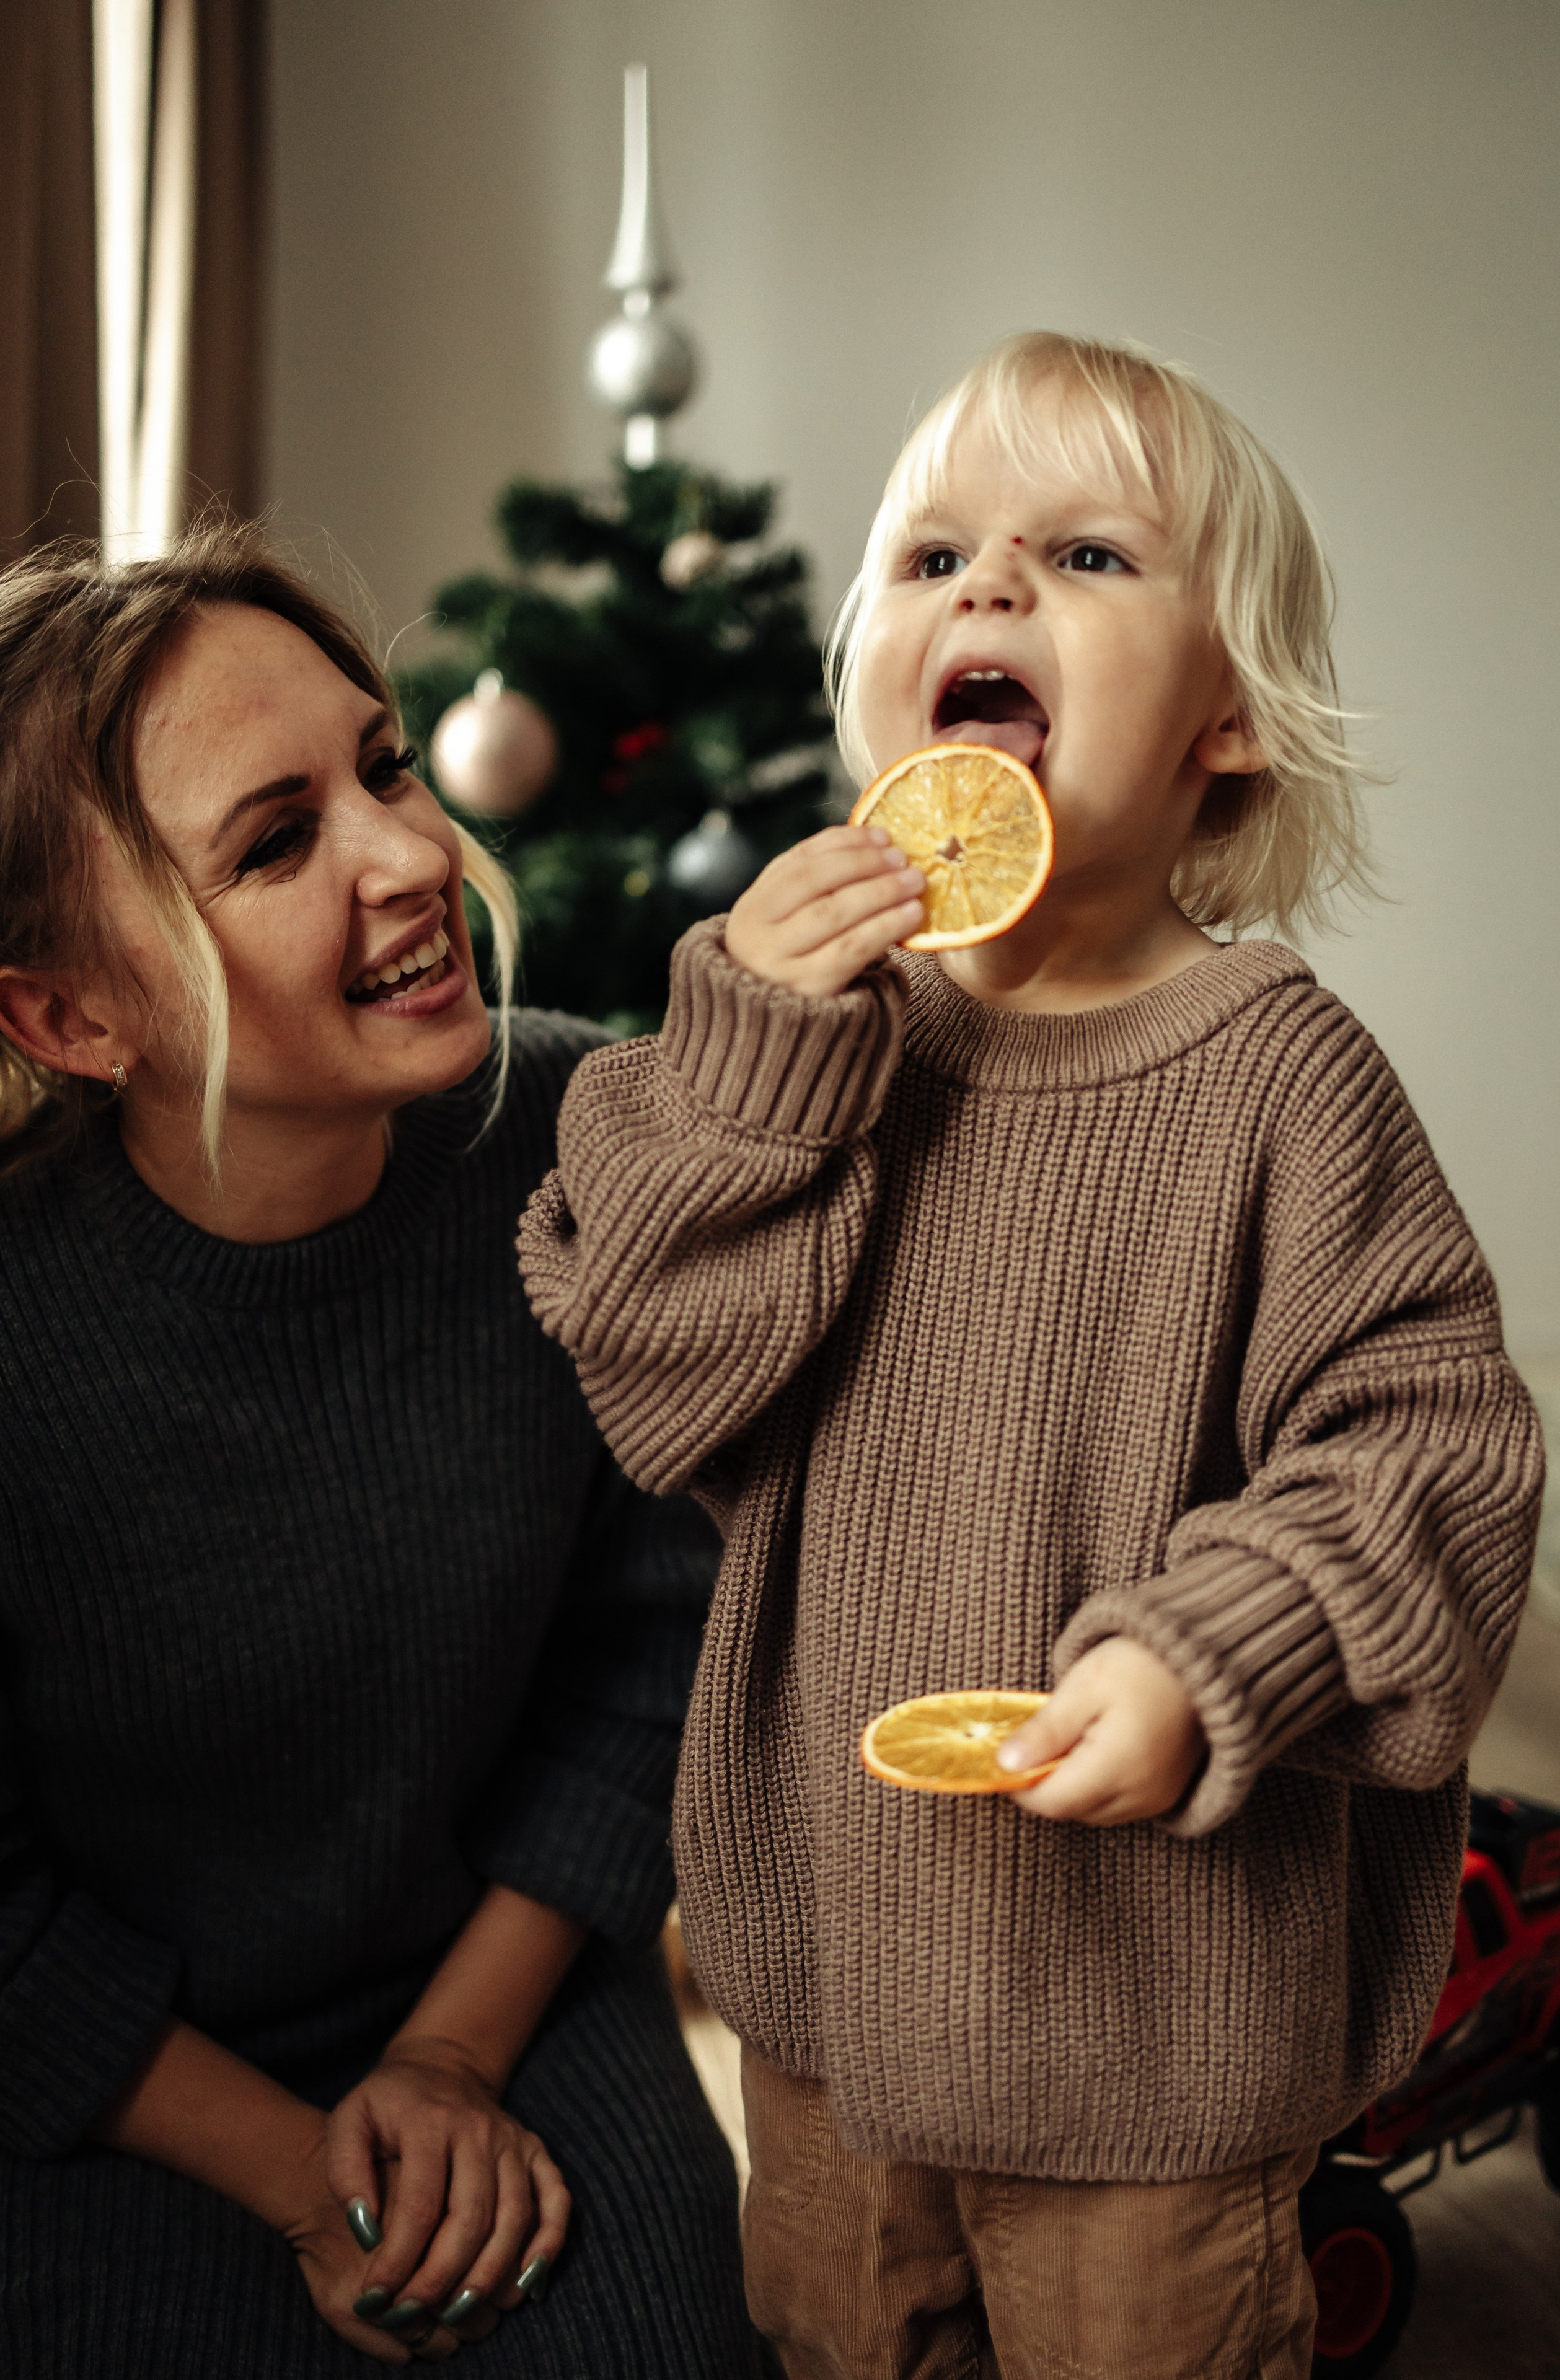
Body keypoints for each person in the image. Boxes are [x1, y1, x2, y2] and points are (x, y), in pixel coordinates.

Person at [516, 332, 1546, 2379]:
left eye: (1083, 555)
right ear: (872, 684)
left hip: (1154, 2047)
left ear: (1229, 724)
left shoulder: (1283, 1083)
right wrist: (756, 1071)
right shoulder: (797, 1046)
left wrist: (1207, 1651)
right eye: (931, 558)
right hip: (825, 2001)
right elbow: (647, 1376)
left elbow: (1429, 1445)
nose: (988, 591)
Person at [0, 525, 760, 2378]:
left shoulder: (588, 1130)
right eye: (276, 841)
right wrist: (289, 2173)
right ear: (66, 1015)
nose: (414, 855)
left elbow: (665, 1652)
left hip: (508, 1980)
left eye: (386, 765)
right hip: (92, 2078)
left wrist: (449, 2056)